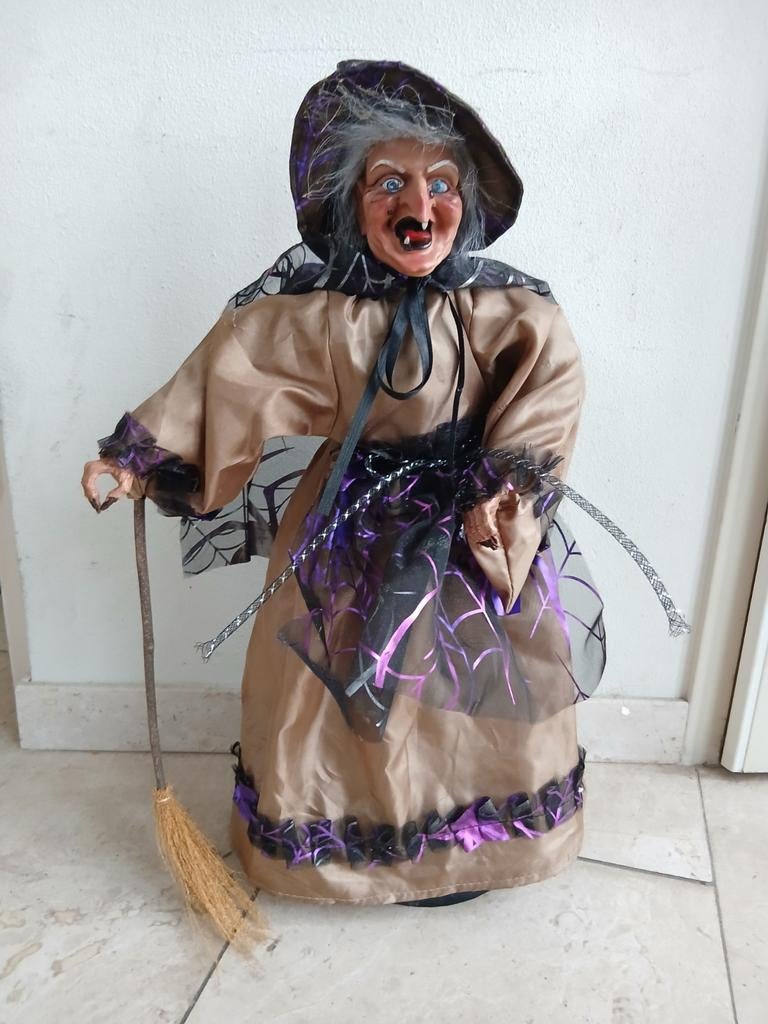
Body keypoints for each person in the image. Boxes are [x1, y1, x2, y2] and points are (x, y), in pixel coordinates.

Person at [82, 60, 608, 907]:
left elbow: (551, 391)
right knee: (336, 691)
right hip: (346, 530)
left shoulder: (507, 314)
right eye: (389, 184)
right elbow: (231, 370)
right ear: (352, 204)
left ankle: (461, 847)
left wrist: (505, 487)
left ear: (467, 202)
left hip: (469, 530)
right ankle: (368, 845)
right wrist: (136, 455)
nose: (418, 207)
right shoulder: (326, 319)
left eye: (441, 185)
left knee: (468, 694)